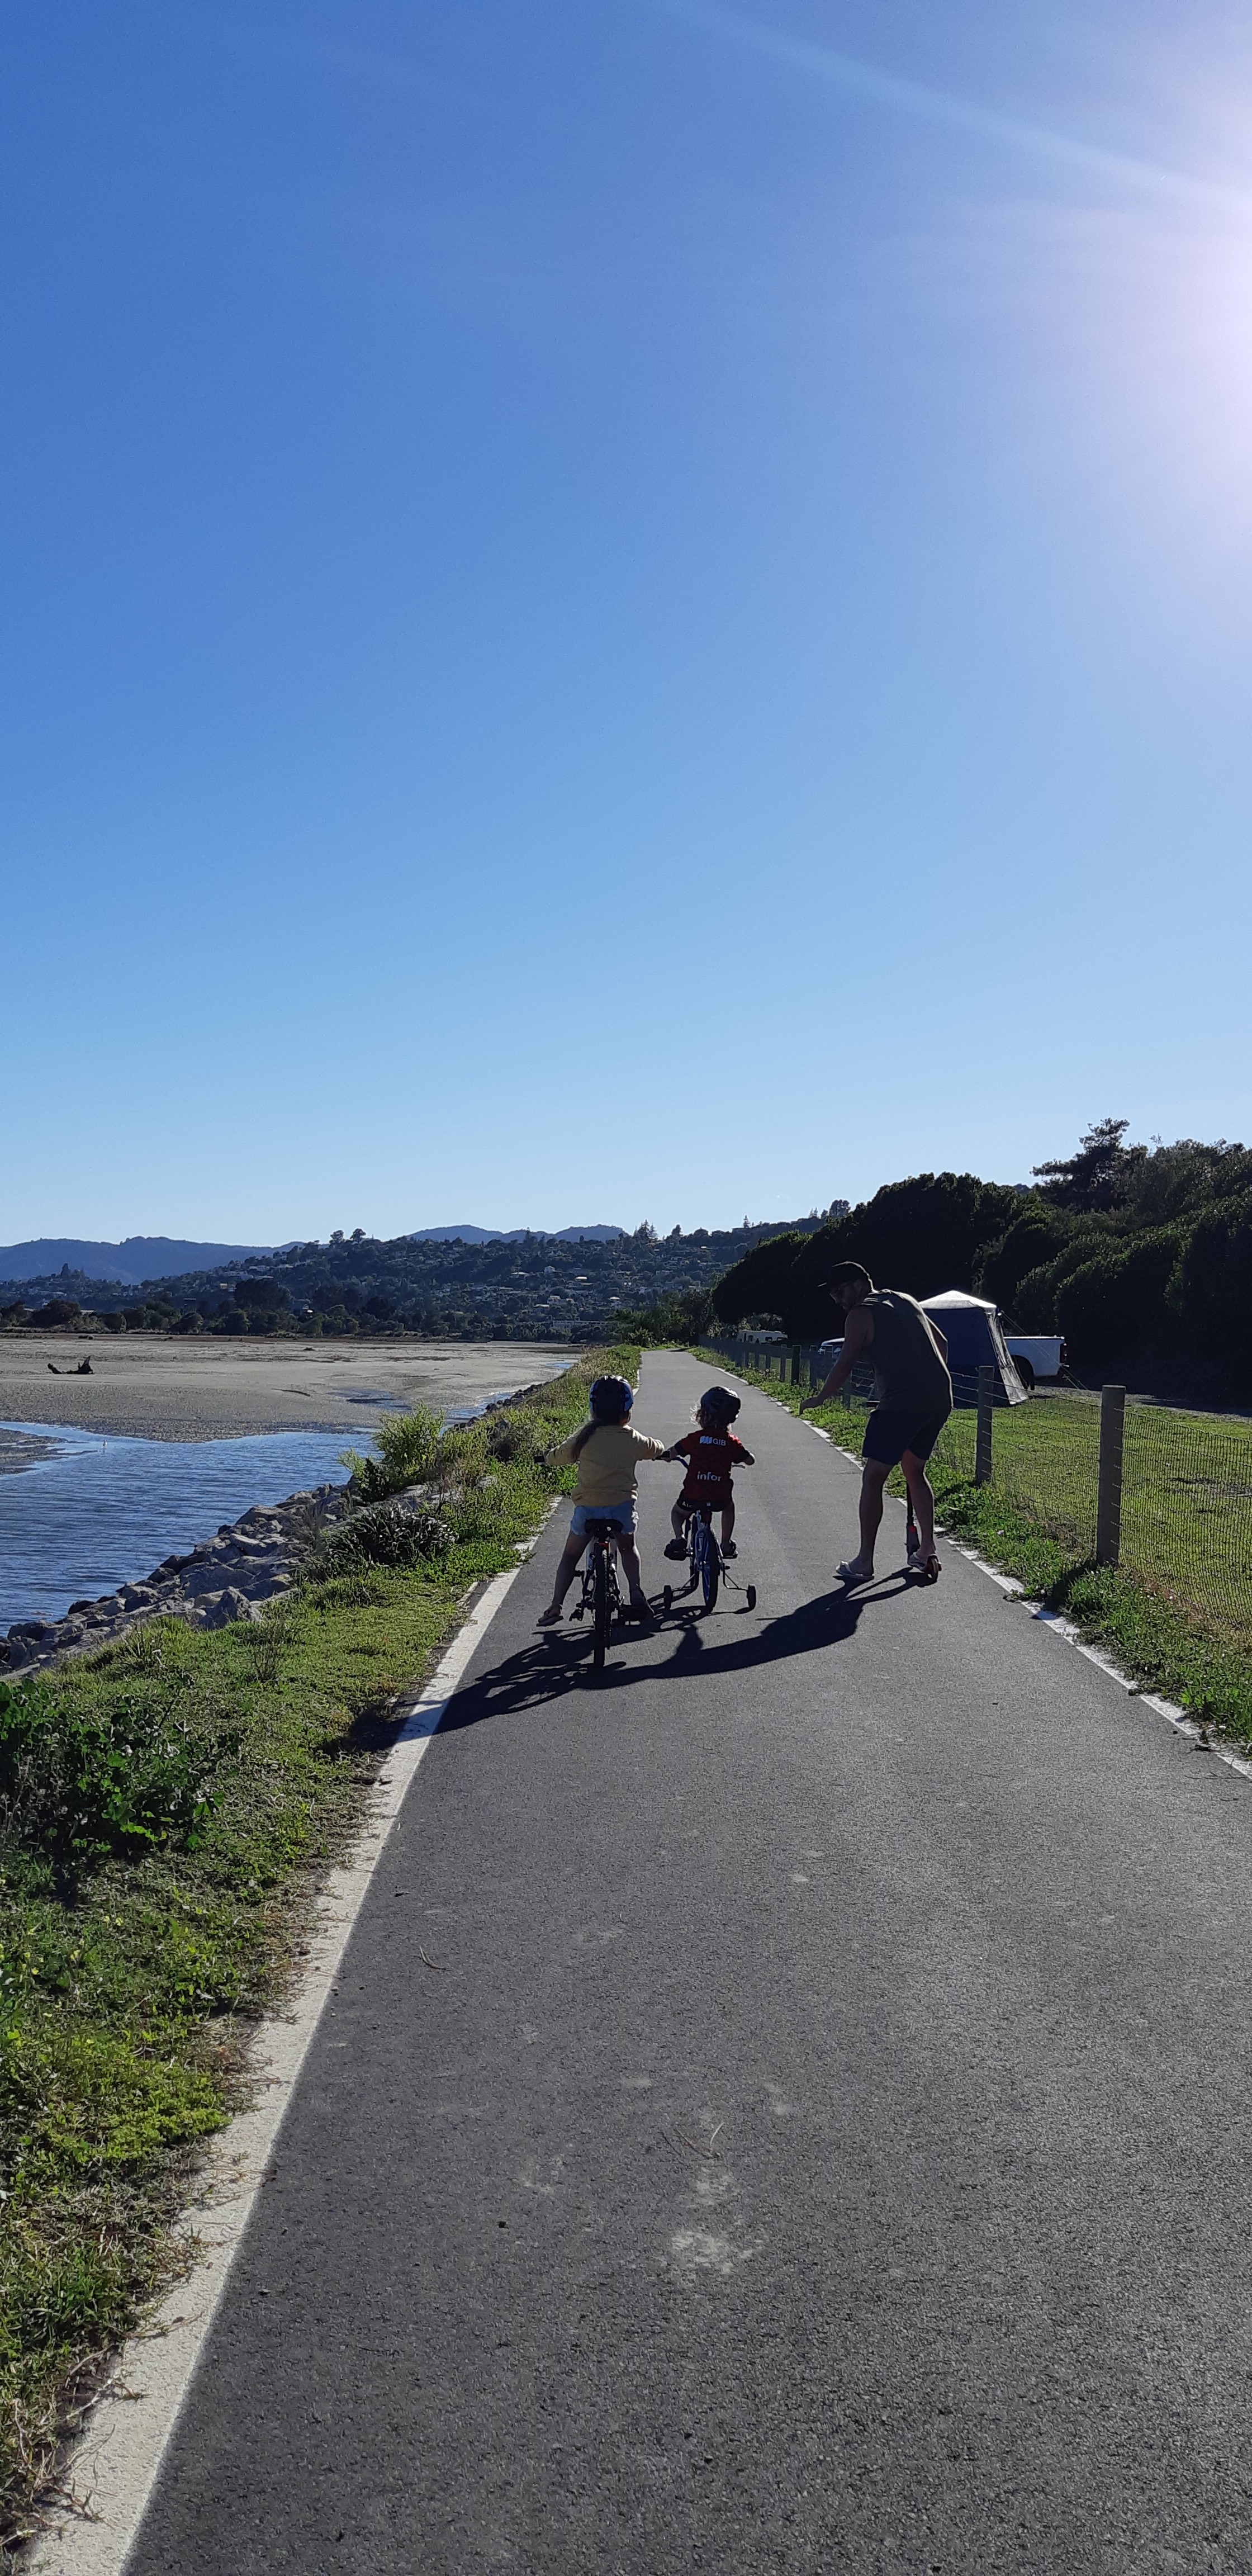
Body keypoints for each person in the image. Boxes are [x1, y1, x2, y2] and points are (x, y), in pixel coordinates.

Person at [799, 1261, 951, 1585]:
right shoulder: (905, 1300)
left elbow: (844, 1365)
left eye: (839, 1293)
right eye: (833, 1296)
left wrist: (820, 1398)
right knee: (914, 1469)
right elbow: (943, 1344)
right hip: (940, 1399)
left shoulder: (860, 1314)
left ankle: (864, 1562)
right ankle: (927, 1550)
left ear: (858, 1285)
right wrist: (926, 1379)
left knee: (873, 1477)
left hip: (901, 1403)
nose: (838, 1301)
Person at [538, 1374, 667, 1626]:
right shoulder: (631, 1438)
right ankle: (636, 1592)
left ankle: (556, 1606)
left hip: (588, 1510)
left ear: (593, 1408)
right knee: (628, 1549)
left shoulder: (584, 1438)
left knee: (570, 1556)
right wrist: (662, 1450)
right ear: (627, 1411)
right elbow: (655, 1448)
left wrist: (545, 1458)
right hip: (621, 1510)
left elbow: (558, 1456)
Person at [663, 1386, 755, 1560]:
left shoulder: (695, 1439)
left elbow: (672, 1453)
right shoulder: (731, 1442)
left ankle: (679, 1538)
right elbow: (750, 1460)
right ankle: (726, 1544)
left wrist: (662, 1456)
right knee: (729, 1507)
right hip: (720, 1497)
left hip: (693, 1495)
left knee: (678, 1513)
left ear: (703, 1415)